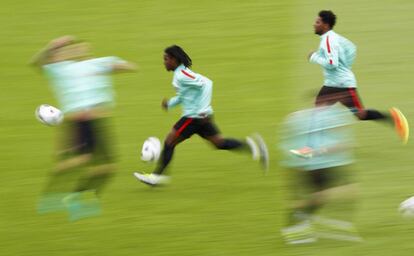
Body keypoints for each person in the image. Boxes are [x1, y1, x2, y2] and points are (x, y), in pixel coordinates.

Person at [31, 36, 137, 221]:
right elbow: (36, 63)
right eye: (75, 48)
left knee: (108, 168)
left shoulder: (99, 63)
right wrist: (51, 46)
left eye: (83, 47)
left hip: (99, 122)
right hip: (80, 120)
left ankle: (73, 196)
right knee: (82, 160)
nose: (81, 49)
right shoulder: (62, 69)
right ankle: (55, 195)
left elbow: (128, 66)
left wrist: (119, 67)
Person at [134, 45, 268, 186]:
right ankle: (253, 146)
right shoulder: (179, 75)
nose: (164, 62)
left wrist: (202, 109)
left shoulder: (182, 75)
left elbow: (207, 83)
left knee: (169, 142)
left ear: (174, 59)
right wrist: (170, 104)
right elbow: (184, 95)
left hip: (194, 117)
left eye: (166, 59)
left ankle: (156, 177)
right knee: (219, 143)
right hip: (201, 117)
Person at [307, 10, 409, 149]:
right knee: (355, 114)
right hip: (336, 83)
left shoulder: (328, 41)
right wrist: (345, 68)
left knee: (351, 114)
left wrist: (314, 57)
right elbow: (352, 49)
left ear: (325, 25)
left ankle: (311, 148)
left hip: (341, 85)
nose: (314, 24)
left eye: (317, 22)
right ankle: (313, 147)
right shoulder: (334, 37)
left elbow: (332, 63)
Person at [280, 92, 361, 244]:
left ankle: (296, 225)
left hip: (307, 164)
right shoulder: (331, 117)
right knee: (331, 194)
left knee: (318, 197)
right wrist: (329, 149)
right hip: (320, 164)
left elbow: (292, 146)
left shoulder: (298, 117)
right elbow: (337, 144)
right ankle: (295, 227)